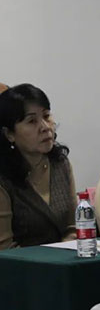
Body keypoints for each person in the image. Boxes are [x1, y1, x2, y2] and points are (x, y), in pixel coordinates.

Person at [0, 84, 77, 249]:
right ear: (9, 134)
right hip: (20, 263)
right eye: (32, 121)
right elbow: (4, 249)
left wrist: (65, 249)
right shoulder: (3, 179)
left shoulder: (60, 164)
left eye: (47, 116)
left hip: (64, 260)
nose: (45, 127)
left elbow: (73, 227)